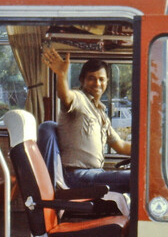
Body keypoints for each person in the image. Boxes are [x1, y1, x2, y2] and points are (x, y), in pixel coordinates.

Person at [42, 47, 131, 193]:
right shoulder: (79, 99)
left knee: (140, 176)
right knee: (136, 178)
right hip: (77, 177)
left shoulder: (101, 113)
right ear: (82, 80)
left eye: (101, 79)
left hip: (95, 173)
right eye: (91, 78)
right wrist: (61, 76)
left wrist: (150, 151)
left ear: (106, 82)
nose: (97, 83)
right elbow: (65, 97)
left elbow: (120, 145)